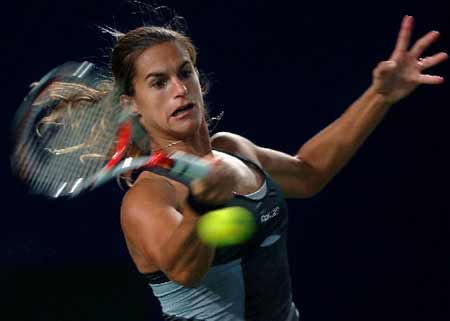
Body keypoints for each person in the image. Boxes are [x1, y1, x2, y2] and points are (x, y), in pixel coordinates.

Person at [114, 15, 447, 321]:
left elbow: (308, 173)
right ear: (132, 105)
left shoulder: (234, 148)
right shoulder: (148, 196)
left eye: (185, 72)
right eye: (159, 82)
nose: (180, 89)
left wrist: (380, 96)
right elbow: (185, 271)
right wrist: (201, 207)